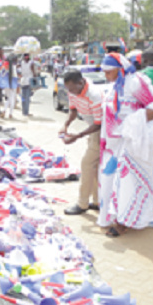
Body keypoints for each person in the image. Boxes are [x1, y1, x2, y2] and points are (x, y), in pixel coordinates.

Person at [98, 53, 153, 237]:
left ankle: (122, 222)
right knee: (111, 180)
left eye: (108, 72)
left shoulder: (136, 82)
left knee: (126, 182)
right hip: (114, 142)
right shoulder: (114, 86)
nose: (106, 76)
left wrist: (132, 125)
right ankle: (115, 216)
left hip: (132, 141)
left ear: (119, 70)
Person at [59, 70, 103, 215]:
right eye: (68, 90)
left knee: (87, 164)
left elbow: (98, 124)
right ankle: (97, 201)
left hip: (101, 130)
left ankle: (82, 204)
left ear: (81, 82)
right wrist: (65, 125)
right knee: (94, 167)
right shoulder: (73, 91)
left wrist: (77, 135)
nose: (71, 92)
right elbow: (73, 110)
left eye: (72, 89)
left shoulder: (94, 95)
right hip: (92, 130)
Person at [0, 54, 19, 119]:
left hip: (5, 84)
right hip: (13, 83)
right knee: (12, 98)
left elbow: (0, 73)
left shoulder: (4, 65)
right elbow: (16, 76)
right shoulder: (13, 67)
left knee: (9, 98)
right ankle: (10, 113)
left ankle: (4, 111)